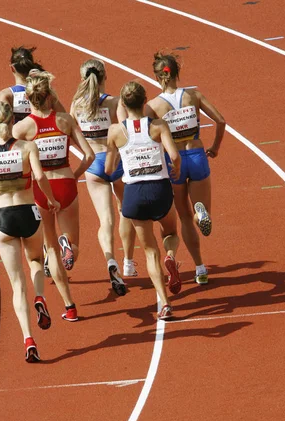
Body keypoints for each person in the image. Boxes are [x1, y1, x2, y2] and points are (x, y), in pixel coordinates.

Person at [0, 101, 60, 363]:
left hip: (2, 217)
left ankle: (28, 339)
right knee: (35, 260)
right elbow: (40, 178)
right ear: (12, 120)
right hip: (28, 211)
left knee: (17, 284)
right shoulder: (27, 147)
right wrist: (51, 200)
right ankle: (40, 296)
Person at [12, 70, 94, 322]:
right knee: (73, 246)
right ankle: (67, 244)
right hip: (66, 183)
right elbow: (89, 155)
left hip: (40, 190)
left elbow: (16, 162)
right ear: (50, 96)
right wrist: (75, 174)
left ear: (28, 98)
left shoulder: (21, 128)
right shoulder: (66, 120)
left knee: (50, 251)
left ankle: (70, 306)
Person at [146, 51, 226, 285]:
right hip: (198, 155)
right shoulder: (194, 96)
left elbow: (146, 136)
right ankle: (204, 212)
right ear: (176, 74)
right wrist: (215, 147)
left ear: (158, 76)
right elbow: (220, 121)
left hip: (175, 163)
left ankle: (200, 268)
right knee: (202, 210)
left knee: (184, 217)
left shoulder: (153, 106)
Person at [106, 81, 182, 320]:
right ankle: (171, 256)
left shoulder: (116, 131)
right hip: (160, 189)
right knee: (170, 232)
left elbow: (109, 168)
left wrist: (125, 159)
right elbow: (174, 155)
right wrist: (176, 170)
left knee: (150, 252)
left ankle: (165, 303)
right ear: (144, 101)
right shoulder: (158, 125)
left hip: (134, 194)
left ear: (123, 105)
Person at [70, 58, 137, 297]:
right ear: (105, 76)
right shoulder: (114, 103)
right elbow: (127, 131)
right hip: (116, 162)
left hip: (93, 167)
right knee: (125, 212)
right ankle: (128, 261)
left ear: (82, 79)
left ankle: (111, 260)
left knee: (105, 220)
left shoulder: (76, 105)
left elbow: (70, 135)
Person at [0, 46, 66, 123]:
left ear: (12, 68)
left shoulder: (5, 95)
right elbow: (64, 117)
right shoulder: (45, 92)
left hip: (18, 134)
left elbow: (4, 125)